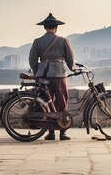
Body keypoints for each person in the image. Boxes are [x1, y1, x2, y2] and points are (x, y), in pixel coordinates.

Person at [29, 13, 75, 141]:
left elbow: (32, 60)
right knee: (61, 101)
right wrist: (73, 68)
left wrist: (37, 71)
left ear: (44, 27)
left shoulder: (37, 41)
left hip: (43, 75)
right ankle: (62, 132)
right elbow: (70, 60)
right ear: (56, 27)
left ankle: (50, 133)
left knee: (46, 103)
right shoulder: (63, 41)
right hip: (59, 74)